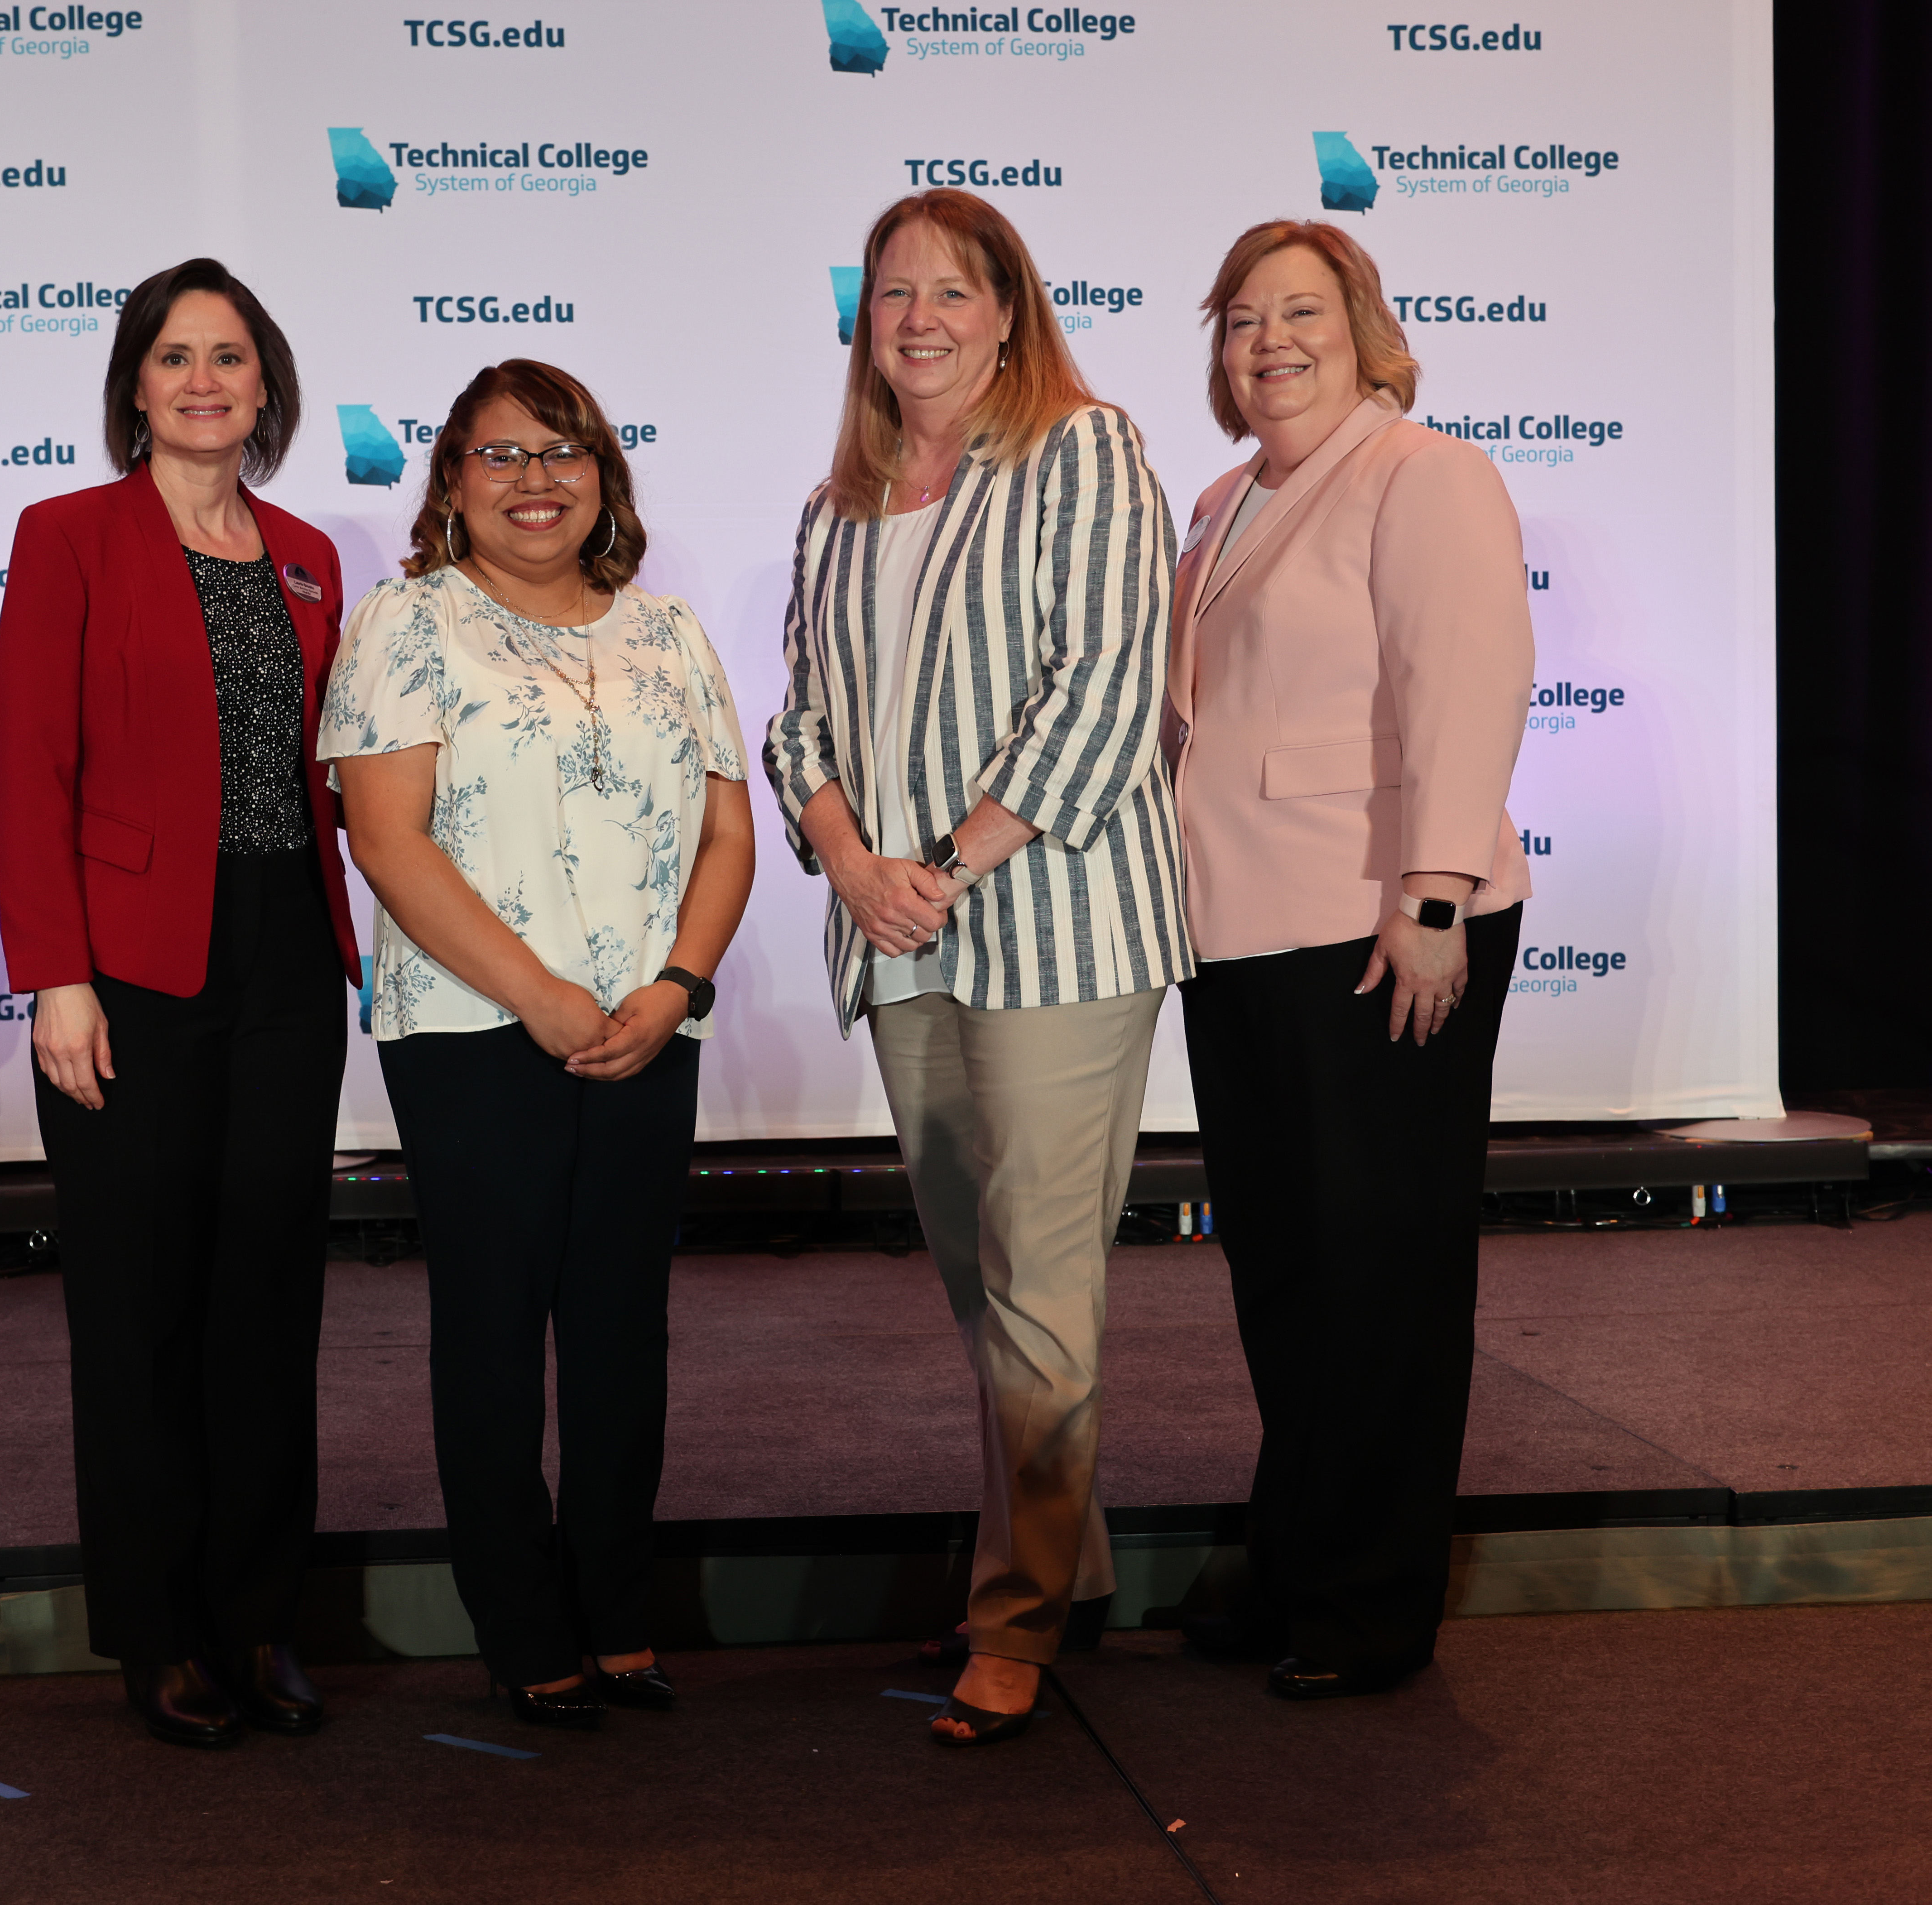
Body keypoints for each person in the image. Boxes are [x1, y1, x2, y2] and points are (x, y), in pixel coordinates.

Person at [762, 190, 1191, 1747]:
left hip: (1055, 922)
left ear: (1011, 311)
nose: (921, 318)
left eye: (954, 290)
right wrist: (857, 863)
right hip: (900, 938)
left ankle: (1013, 1620)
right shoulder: (841, 508)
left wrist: (945, 863)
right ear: (862, 322)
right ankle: (1067, 1569)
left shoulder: (1085, 451)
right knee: (987, 1285)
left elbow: (1104, 689)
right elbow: (799, 722)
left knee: (1044, 1287)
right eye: (893, 294)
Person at [320, 360, 754, 1730]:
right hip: (471, 1032)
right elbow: (386, 840)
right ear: (450, 483)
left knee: (627, 1334)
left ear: (605, 479)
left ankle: (618, 1611)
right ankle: (523, 1627)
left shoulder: (670, 632)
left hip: (648, 1031)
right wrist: (542, 997)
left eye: (563, 452)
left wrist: (679, 985)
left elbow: (731, 833)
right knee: (497, 1334)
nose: (535, 480)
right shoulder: (405, 623)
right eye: (500, 456)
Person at [0, 259, 359, 1749]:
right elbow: (29, 767)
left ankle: (260, 1617)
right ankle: (157, 1633)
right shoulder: (67, 536)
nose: (203, 381)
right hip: (129, 965)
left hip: (283, 958)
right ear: (134, 387)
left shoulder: (315, 554)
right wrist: (54, 974)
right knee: (140, 1310)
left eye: (229, 357)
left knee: (270, 1298)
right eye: (173, 357)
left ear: (266, 386)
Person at [1168, 221, 1533, 1699]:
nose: (1271, 343)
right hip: (1239, 930)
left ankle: (1372, 1606)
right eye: (1243, 319)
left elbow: (1470, 679)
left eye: (1301, 313)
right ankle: (1301, 1556)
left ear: (1367, 329)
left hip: (1384, 926)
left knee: (1380, 1272)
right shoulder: (1219, 497)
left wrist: (1433, 896)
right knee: (1288, 1272)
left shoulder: (1425, 472)